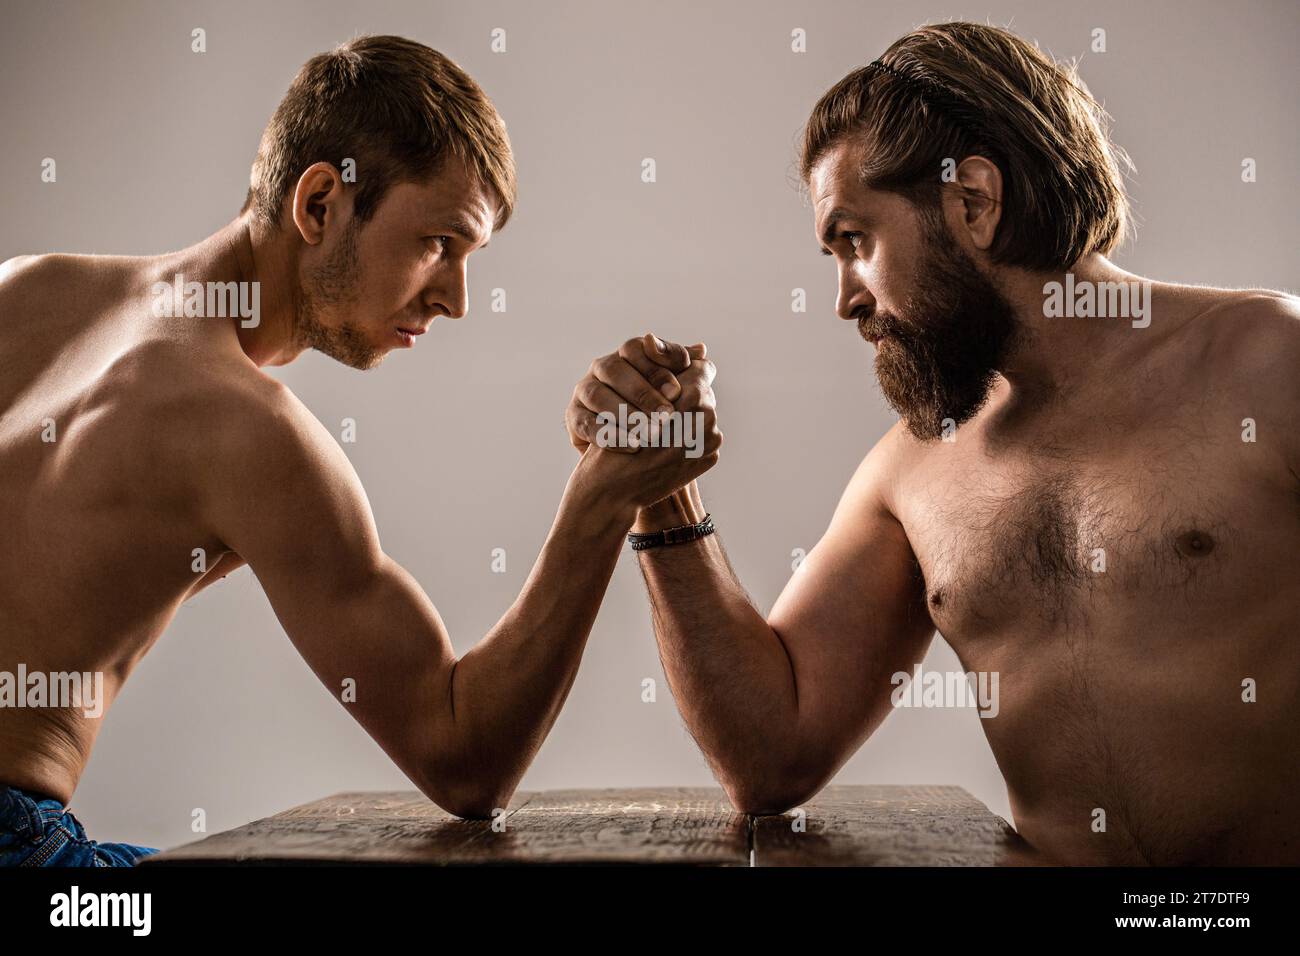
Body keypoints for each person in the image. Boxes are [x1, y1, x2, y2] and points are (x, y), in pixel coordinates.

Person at [566, 22, 1300, 865]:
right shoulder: (911, 469)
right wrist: (660, 487)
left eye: (855, 242)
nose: (846, 298)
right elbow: (771, 755)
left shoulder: (1271, 365)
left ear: (973, 202)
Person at [0, 34, 719, 866]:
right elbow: (464, 759)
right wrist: (600, 501)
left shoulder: (26, 289)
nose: (454, 297)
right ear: (319, 205)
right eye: (437, 244)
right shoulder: (249, 433)